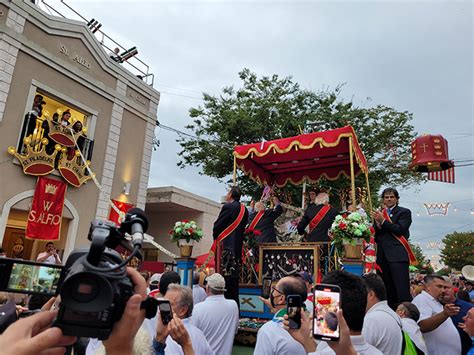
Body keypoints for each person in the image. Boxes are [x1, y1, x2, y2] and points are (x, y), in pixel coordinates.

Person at [371, 187, 414, 309]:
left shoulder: (404, 212)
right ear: (383, 199)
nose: (389, 199)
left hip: (397, 255)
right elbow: (378, 236)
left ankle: (406, 315)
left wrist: (383, 221)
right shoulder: (380, 213)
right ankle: (389, 312)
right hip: (382, 256)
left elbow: (400, 229)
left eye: (391, 197)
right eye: (386, 197)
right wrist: (378, 226)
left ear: (397, 199)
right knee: (386, 288)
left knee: (401, 289)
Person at [212, 186, 248, 306]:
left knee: (225, 281)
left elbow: (218, 225)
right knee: (234, 282)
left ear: (231, 194)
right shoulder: (245, 210)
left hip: (226, 247)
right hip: (237, 248)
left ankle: (224, 307)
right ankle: (235, 308)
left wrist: (216, 236)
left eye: (228, 192)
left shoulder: (228, 206)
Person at [254, 276, 307, 355]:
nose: (272, 292)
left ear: (281, 298)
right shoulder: (312, 325)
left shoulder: (268, 331)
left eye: (274, 289)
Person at [156, 284, 213, 355]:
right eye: (163, 303)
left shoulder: (171, 336)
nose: (162, 308)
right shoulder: (199, 334)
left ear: (183, 310)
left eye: (168, 304)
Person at [412, 274, 462, 355]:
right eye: (439, 286)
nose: (443, 290)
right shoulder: (422, 299)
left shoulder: (435, 301)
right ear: (427, 287)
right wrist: (445, 314)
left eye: (444, 287)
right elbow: (422, 326)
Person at [191, 273, 239, 355]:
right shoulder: (233, 306)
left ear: (207, 288)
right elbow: (235, 330)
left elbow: (192, 338)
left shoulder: (197, 308)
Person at [362, 273, 403, 355]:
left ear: (371, 295)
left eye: (360, 293)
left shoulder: (372, 319)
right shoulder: (391, 314)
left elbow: (359, 351)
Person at [440, 278, 473, 355]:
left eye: (446, 287)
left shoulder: (469, 307)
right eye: (440, 288)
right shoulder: (433, 307)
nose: (444, 291)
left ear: (453, 288)